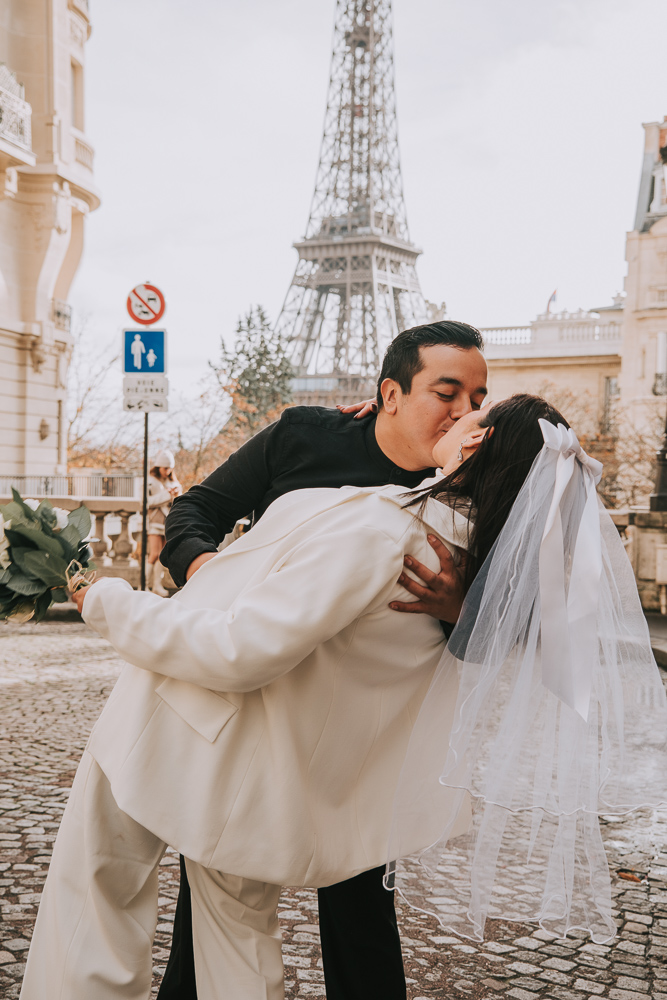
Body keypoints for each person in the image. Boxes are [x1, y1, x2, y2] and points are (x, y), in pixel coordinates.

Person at [21, 394, 569, 1000]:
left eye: (471, 412)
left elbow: (240, 647)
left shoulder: (388, 531)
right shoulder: (462, 564)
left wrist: (104, 598)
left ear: (476, 442)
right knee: (237, 940)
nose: (457, 413)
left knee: (94, 900)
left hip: (185, 719)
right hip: (259, 764)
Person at [157, 319, 488, 1000]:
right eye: (446, 391)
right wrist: (216, 574)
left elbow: (518, 629)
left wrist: (466, 606)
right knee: (216, 879)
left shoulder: (474, 484)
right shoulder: (303, 435)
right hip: (260, 706)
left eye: (478, 397)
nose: (465, 412)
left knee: (362, 907)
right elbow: (193, 512)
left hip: (366, 736)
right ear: (389, 395)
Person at [146, 450, 182, 596]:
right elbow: (146, 502)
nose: (167, 471)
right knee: (154, 554)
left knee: (162, 555)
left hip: (168, 522)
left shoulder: (173, 482)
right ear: (158, 467)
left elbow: (178, 504)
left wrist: (175, 495)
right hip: (154, 522)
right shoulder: (149, 481)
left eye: (169, 468)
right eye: (165, 468)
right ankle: (144, 585)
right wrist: (167, 495)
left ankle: (156, 586)